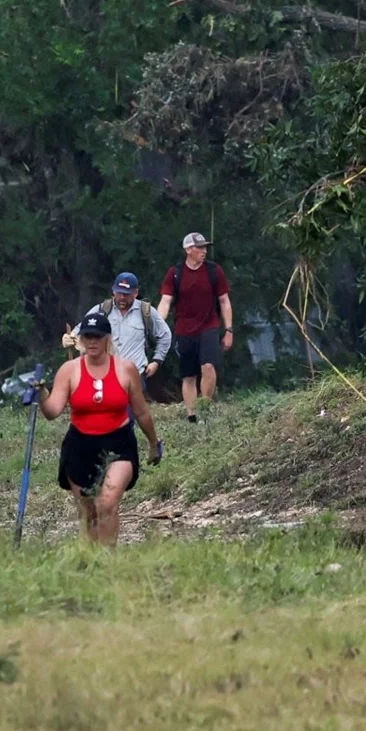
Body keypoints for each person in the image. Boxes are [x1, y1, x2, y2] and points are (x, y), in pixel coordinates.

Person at [35, 313, 162, 545]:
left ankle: (108, 562)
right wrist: (43, 394)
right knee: (89, 513)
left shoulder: (126, 369)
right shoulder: (69, 370)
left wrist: (154, 444)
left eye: (97, 337)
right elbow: (53, 411)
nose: (92, 342)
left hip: (118, 444)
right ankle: (90, 564)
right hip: (80, 446)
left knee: (107, 503)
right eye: (87, 337)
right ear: (81, 340)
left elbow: (142, 412)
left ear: (107, 339)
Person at [157, 232, 233, 423]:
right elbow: (166, 301)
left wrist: (229, 330)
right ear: (188, 250)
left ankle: (205, 409)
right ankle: (192, 416)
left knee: (208, 366)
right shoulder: (175, 273)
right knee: (188, 374)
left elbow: (224, 301)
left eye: (205, 247)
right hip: (184, 329)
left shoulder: (214, 271)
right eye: (200, 247)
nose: (204, 251)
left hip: (209, 325)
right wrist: (158, 324)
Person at [62, 272, 172, 386]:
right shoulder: (102, 310)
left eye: (126, 294)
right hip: (104, 376)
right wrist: (71, 338)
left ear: (135, 293)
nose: (122, 297)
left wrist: (156, 361)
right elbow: (81, 329)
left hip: (134, 376)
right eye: (119, 293)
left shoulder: (145, 311)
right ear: (113, 291)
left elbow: (165, 335)